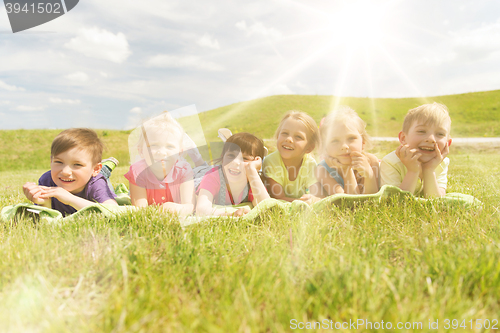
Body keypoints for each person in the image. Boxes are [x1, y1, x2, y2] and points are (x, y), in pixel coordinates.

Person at [22, 128, 118, 216]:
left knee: (103, 175)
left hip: (96, 176)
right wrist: (44, 201)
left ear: (95, 169)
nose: (65, 172)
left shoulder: (96, 184)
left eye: (77, 164)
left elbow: (114, 211)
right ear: (51, 161)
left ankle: (105, 168)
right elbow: (47, 218)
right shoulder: (47, 180)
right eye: (59, 162)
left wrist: (70, 199)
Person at [124, 112, 195, 216]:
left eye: (170, 146)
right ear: (141, 151)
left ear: (180, 152)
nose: (161, 152)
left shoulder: (184, 170)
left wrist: (177, 208)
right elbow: (140, 209)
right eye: (154, 145)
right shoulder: (138, 172)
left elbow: (189, 206)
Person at [380, 102, 452, 197]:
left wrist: (429, 169)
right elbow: (395, 202)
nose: (431, 139)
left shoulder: (442, 162)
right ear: (403, 138)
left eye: (440, 134)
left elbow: (436, 199)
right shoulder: (391, 162)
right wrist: (412, 171)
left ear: (448, 143)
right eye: (421, 131)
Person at [196, 132, 269, 216]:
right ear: (223, 158)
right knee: (200, 169)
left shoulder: (253, 181)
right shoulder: (213, 177)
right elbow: (201, 209)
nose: (235, 162)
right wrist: (231, 215)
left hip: (239, 170)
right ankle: (196, 156)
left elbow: (266, 207)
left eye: (245, 158)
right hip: (198, 177)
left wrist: (252, 169)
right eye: (231, 155)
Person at [316, 106, 379, 195]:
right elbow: (348, 204)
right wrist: (346, 170)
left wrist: (369, 175)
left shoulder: (371, 161)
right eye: (335, 140)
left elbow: (371, 203)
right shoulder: (322, 170)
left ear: (363, 142)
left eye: (351, 138)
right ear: (325, 147)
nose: (344, 146)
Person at [263, 110, 322, 204]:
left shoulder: (310, 164)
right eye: (285, 133)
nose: (289, 139)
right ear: (278, 136)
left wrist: (313, 199)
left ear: (309, 148)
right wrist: (303, 202)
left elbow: (317, 195)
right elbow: (278, 198)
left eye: (298, 137)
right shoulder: (271, 161)